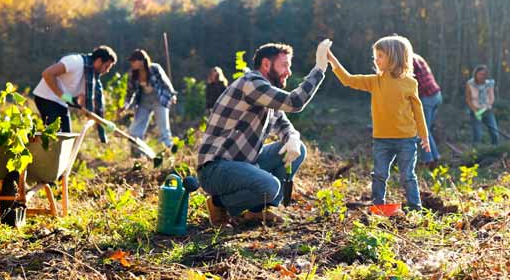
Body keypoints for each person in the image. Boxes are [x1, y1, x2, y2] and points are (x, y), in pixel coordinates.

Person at [197, 39, 332, 227]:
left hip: (242, 164)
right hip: (216, 169)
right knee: (271, 186)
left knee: (298, 148)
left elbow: (284, 125)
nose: (288, 71)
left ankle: (256, 211)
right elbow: (295, 102)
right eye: (284, 65)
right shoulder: (251, 84)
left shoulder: (267, 94)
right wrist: (319, 69)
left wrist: (293, 138)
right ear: (266, 64)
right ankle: (218, 204)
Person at [328, 35, 430, 211]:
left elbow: (418, 111)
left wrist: (424, 135)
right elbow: (348, 79)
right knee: (379, 175)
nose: (376, 59)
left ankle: (416, 208)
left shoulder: (410, 83)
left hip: (406, 139)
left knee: (407, 176)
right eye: (375, 55)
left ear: (395, 57)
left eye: (380, 55)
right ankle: (378, 207)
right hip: (382, 140)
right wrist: (331, 58)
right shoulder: (375, 81)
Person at [32, 45, 118, 142]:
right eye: (106, 66)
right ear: (98, 61)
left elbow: (83, 101)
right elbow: (47, 74)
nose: (107, 71)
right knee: (56, 136)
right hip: (46, 97)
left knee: (67, 136)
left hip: (61, 102)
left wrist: (90, 114)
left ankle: (60, 157)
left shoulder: (91, 78)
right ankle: (47, 156)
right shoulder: (75, 62)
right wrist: (62, 95)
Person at [117, 49, 177, 156]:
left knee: (164, 130)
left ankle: (171, 154)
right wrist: (125, 106)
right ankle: (138, 155)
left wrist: (172, 95)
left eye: (133, 61)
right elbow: (130, 92)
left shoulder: (155, 68)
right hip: (143, 102)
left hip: (159, 100)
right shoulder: (132, 73)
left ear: (141, 61)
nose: (132, 64)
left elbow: (165, 82)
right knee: (134, 130)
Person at [412, 54, 442, 168]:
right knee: (426, 129)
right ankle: (435, 158)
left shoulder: (408, 60)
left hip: (427, 98)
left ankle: (429, 160)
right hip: (435, 95)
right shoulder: (416, 57)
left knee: (422, 130)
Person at [465, 64, 499, 145]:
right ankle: (475, 153)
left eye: (483, 74)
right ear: (476, 74)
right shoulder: (470, 83)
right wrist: (475, 111)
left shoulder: (489, 83)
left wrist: (487, 106)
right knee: (478, 135)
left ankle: (496, 151)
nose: (481, 76)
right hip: (475, 111)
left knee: (494, 133)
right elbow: (468, 99)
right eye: (479, 74)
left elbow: (491, 97)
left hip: (487, 111)